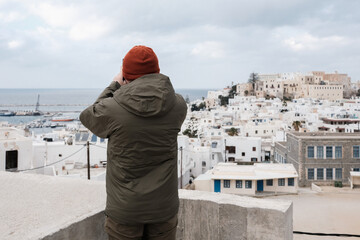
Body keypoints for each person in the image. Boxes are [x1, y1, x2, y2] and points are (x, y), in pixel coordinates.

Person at [80, 45, 187, 240]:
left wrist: (114, 85)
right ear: (157, 71)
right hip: (163, 208)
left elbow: (89, 116)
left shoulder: (113, 108)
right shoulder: (178, 105)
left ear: (126, 76)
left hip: (125, 209)